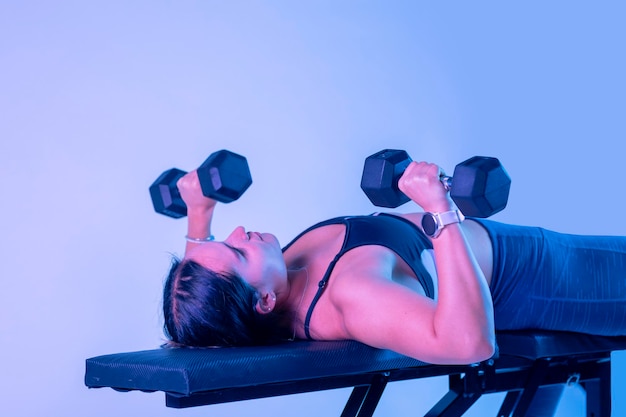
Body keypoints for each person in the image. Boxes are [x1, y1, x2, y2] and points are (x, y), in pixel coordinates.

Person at [162, 161, 626, 365]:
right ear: (262, 301)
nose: (241, 233)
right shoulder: (352, 296)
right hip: (537, 276)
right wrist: (440, 208)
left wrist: (199, 215)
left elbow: (204, 313)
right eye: (238, 250)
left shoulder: (270, 286)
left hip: (524, 259)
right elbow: (470, 345)